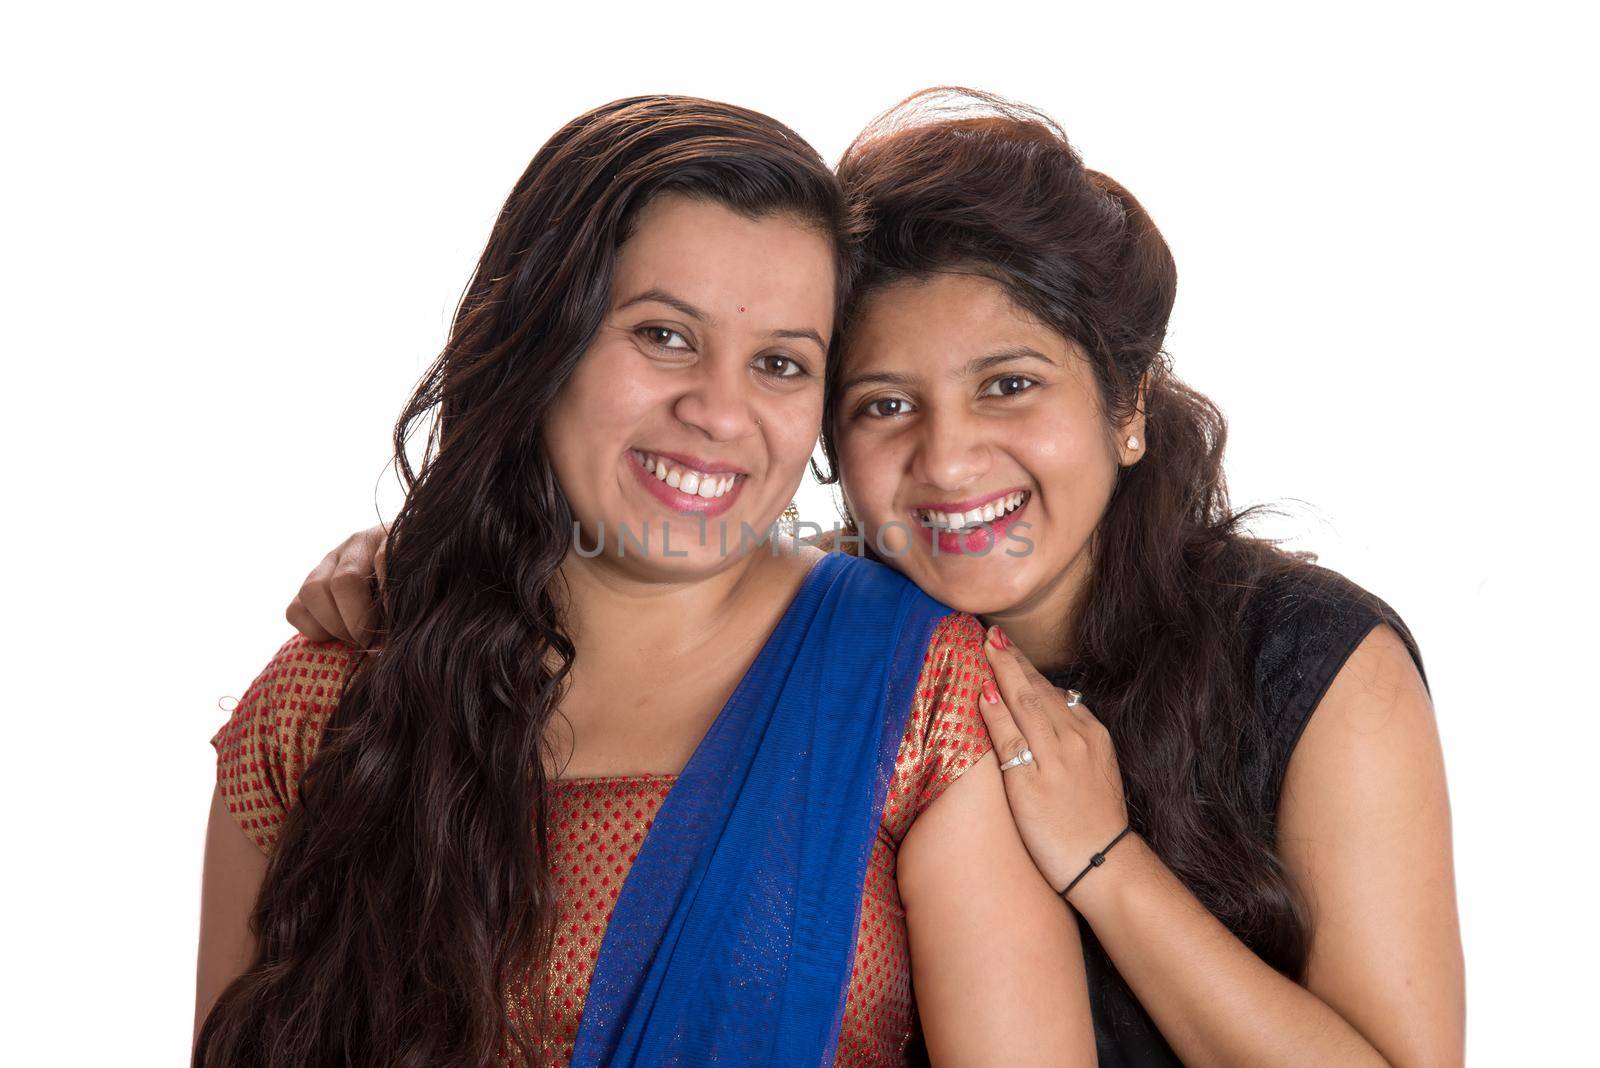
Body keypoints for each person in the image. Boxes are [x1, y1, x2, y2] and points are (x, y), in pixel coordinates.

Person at [294, 90, 1465, 1065]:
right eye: (885, 405)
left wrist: (1107, 867)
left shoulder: (1308, 663)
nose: (947, 460)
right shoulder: (850, 654)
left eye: (1009, 385)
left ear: (1126, 411)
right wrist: (428, 564)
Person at [195, 95, 1093, 1067]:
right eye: (664, 335)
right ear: (539, 340)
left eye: (782, 364)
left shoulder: (923, 692)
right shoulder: (324, 701)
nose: (718, 410)